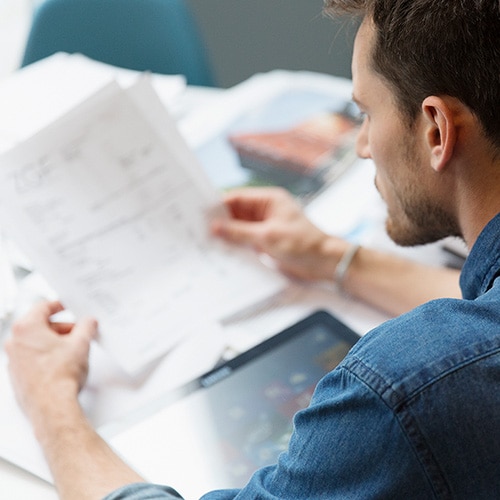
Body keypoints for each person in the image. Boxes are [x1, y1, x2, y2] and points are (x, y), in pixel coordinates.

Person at [5, 0, 500, 498]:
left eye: (366, 113)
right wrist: (334, 259)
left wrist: (51, 408)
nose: (362, 145)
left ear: (437, 130)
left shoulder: (402, 387)